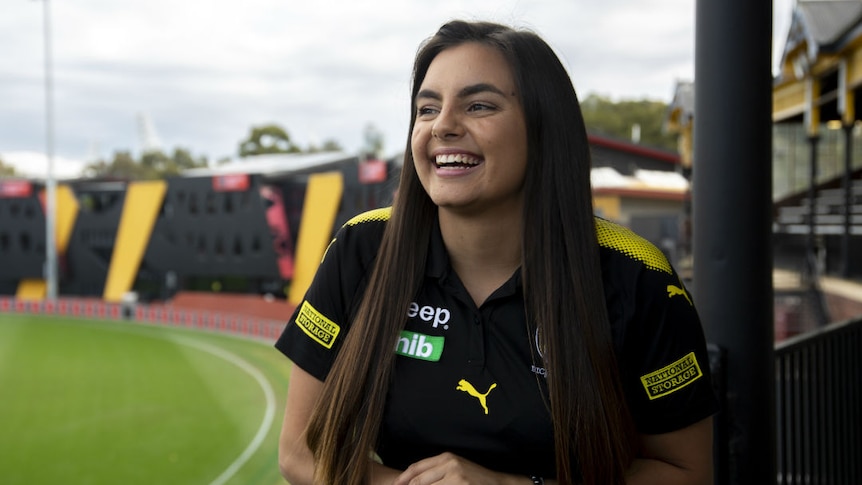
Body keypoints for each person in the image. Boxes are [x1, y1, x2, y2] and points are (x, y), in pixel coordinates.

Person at [275, 20, 718, 485]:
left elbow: (686, 472)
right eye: (427, 109)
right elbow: (300, 452)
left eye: (479, 105)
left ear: (544, 128)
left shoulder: (636, 275)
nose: (443, 125)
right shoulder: (361, 248)